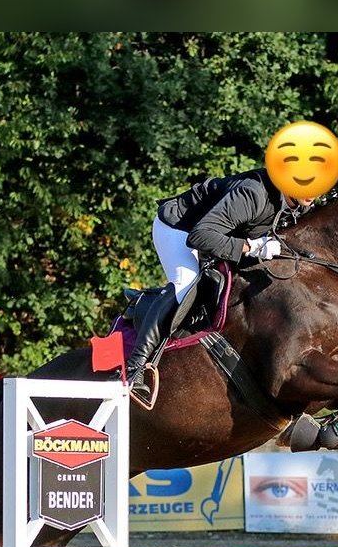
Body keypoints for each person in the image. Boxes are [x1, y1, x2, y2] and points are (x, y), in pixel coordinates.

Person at [126, 167, 314, 404]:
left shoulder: (298, 204)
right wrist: (252, 247)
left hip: (217, 235)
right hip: (180, 229)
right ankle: (135, 369)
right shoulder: (252, 193)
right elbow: (199, 237)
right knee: (186, 282)